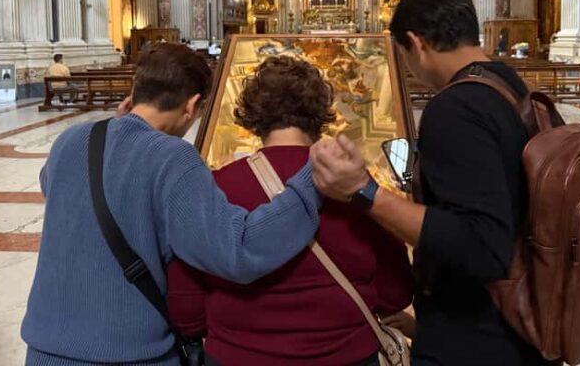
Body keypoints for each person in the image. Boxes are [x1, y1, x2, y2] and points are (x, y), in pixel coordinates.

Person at [21, 44, 321, 365]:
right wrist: (311, 181)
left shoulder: (72, 139)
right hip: (128, 355)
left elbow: (53, 184)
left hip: (44, 349)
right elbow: (236, 251)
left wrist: (115, 130)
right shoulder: (173, 158)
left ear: (137, 89)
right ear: (191, 106)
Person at [310, 0, 555, 366]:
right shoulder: (511, 87)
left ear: (416, 43)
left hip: (476, 343)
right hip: (524, 327)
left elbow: (481, 245)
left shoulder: (456, 109)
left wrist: (363, 190)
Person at [167, 57, 413, 365]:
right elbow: (396, 291)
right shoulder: (352, 187)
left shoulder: (217, 186)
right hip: (345, 354)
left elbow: (186, 301)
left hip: (239, 355)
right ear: (320, 115)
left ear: (253, 116)